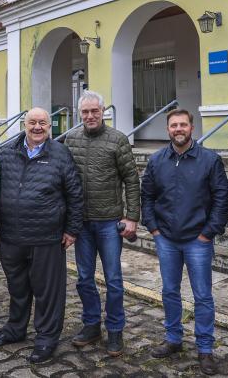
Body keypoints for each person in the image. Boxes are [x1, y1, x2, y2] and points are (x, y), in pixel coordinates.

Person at [0, 107, 84, 364]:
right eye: (33, 122)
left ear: (49, 127)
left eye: (43, 123)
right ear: (24, 124)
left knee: (47, 292)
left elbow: (75, 193)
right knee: (17, 288)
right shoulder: (5, 153)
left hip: (46, 237)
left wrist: (72, 229)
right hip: (11, 236)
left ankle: (46, 338)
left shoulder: (60, 154)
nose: (37, 127)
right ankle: (15, 329)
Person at [141, 109, 228, 376]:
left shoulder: (209, 160)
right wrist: (154, 228)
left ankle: (205, 349)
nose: (178, 129)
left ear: (192, 127)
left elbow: (223, 199)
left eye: (183, 124)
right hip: (166, 239)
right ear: (168, 129)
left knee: (202, 296)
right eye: (173, 125)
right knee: (170, 291)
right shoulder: (157, 160)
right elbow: (146, 196)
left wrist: (208, 232)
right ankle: (173, 339)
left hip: (198, 240)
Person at [63, 91, 139, 356]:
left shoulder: (117, 140)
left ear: (103, 112)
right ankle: (92, 325)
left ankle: (115, 330)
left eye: (95, 111)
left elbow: (131, 179)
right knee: (84, 278)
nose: (90, 116)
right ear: (79, 114)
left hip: (109, 222)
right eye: (85, 112)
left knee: (114, 279)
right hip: (81, 223)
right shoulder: (70, 139)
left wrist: (132, 217)